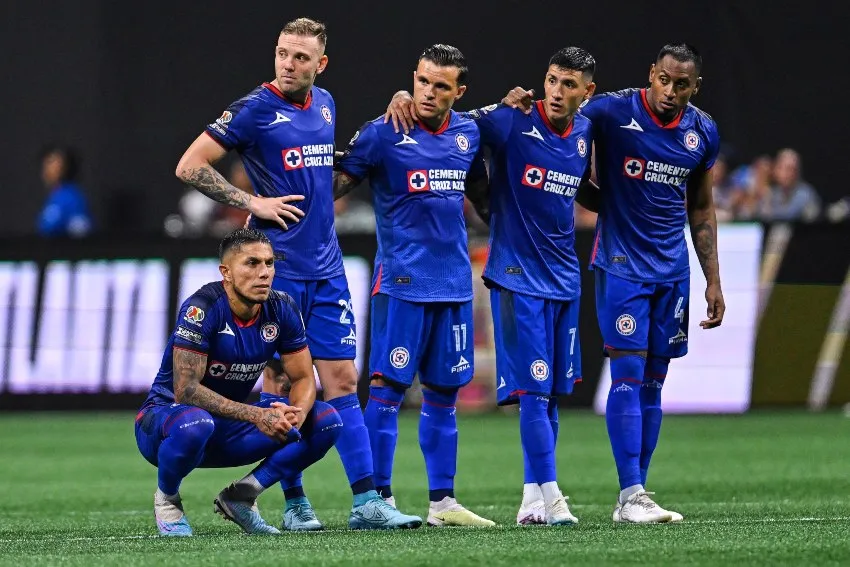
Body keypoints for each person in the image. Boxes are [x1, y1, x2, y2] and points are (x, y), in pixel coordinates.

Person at [175, 18, 419, 530]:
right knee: (286, 383)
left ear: (320, 64)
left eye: (301, 57)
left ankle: (367, 502)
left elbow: (321, 178)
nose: (288, 64)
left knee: (342, 381)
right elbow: (190, 165)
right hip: (277, 269)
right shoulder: (254, 109)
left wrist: (400, 97)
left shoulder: (326, 104)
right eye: (283, 53)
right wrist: (251, 200)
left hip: (328, 268)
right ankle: (294, 502)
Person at [502, 43, 725, 523]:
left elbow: (701, 207)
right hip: (621, 264)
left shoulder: (702, 132)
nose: (669, 91)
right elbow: (560, 133)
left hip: (673, 270)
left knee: (654, 382)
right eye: (663, 79)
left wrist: (713, 279)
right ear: (652, 73)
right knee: (627, 373)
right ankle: (632, 490)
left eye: (681, 84)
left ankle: (633, 497)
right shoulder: (611, 111)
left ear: (695, 87)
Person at [384, 46, 597, 526]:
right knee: (534, 393)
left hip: (565, 277)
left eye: (569, 84)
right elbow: (443, 115)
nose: (557, 92)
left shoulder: (588, 128)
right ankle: (552, 493)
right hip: (517, 274)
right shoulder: (508, 119)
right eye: (552, 80)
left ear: (588, 92)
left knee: (552, 395)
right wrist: (402, 94)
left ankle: (531, 496)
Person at [333, 44, 495, 527]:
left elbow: (485, 198)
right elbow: (333, 186)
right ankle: (376, 500)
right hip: (401, 282)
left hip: (454, 285)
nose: (428, 92)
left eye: (441, 85)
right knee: (386, 390)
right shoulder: (383, 133)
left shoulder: (468, 133)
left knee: (445, 394)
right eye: (422, 81)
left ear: (458, 92)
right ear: (414, 78)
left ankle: (442, 503)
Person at [134, 228, 342, 537]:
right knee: (197, 424)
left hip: (228, 428)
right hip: (167, 424)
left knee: (326, 421)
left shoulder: (282, 308)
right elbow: (186, 390)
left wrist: (296, 413)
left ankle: (242, 496)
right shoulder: (202, 308)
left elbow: (301, 377)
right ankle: (167, 499)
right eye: (252, 263)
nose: (264, 273)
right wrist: (257, 414)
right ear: (226, 272)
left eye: (270, 263)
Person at [36, 145, 93, 237]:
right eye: (47, 163)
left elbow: (81, 235)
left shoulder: (72, 198)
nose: (48, 168)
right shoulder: (54, 197)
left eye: (53, 162)